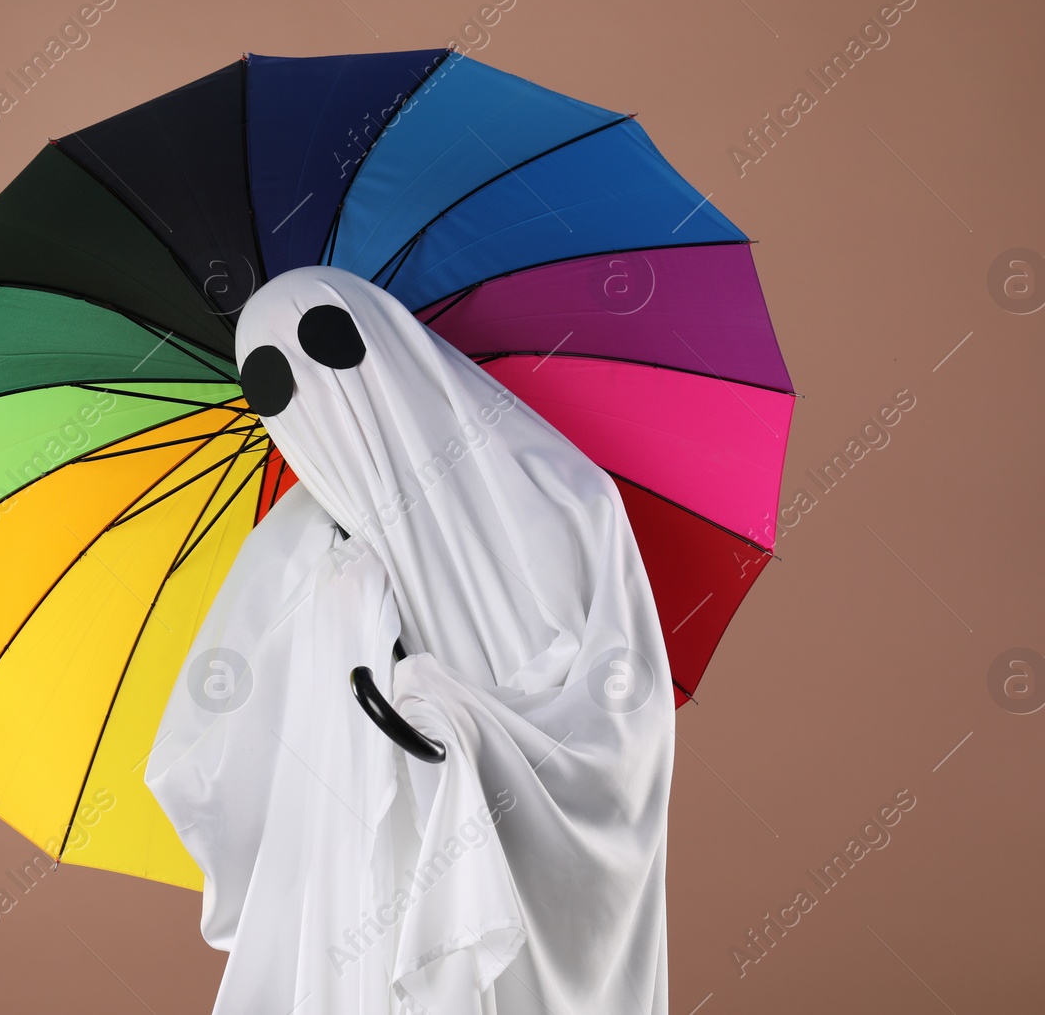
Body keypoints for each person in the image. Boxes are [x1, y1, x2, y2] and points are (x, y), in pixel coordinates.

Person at [146, 266, 674, 1013]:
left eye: (326, 345)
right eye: (271, 385)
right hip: (385, 898)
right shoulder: (296, 557)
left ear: (387, 336)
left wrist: (463, 723)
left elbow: (626, 725)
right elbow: (204, 766)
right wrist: (337, 662)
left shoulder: (561, 495)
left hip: (533, 888)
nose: (322, 400)